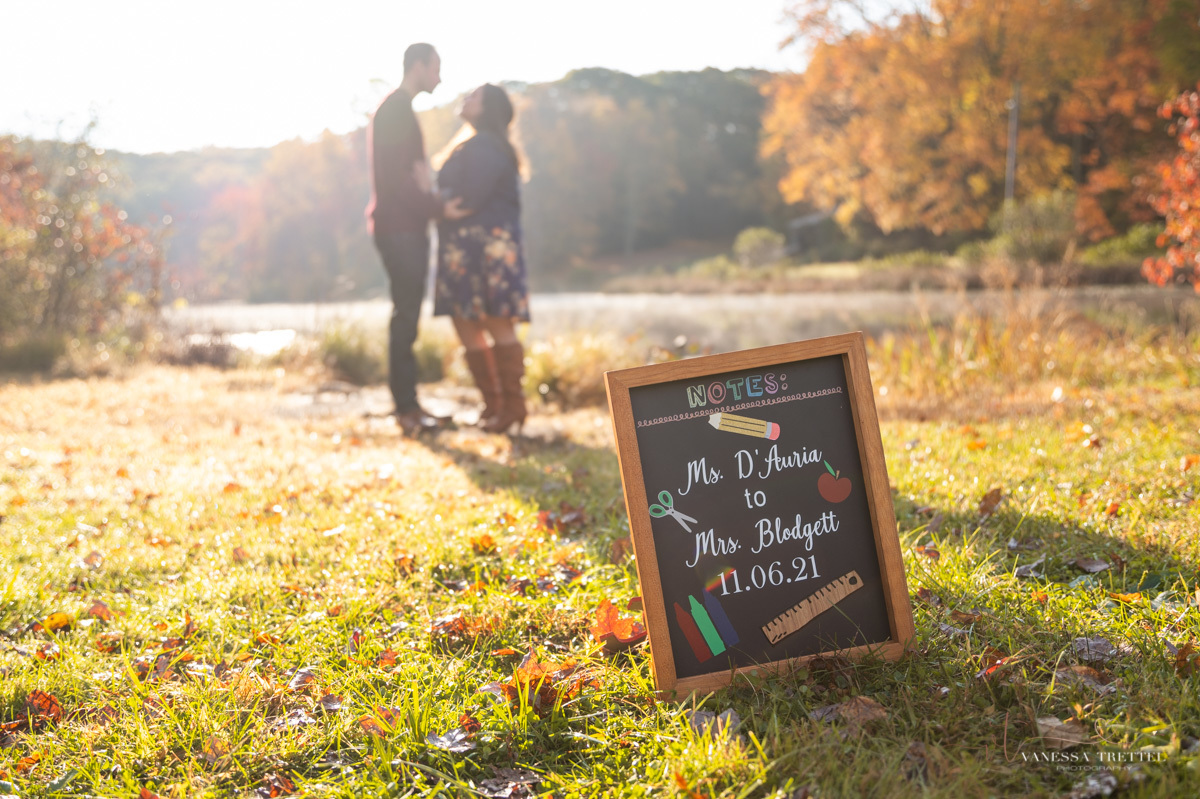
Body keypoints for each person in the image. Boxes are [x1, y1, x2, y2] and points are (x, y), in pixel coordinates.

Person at [366, 43, 465, 435]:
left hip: (405, 226)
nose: (440, 77)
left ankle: (409, 405)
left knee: (406, 316)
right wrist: (437, 208)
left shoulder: (400, 110)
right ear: (419, 66)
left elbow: (412, 171)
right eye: (436, 68)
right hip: (400, 228)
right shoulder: (396, 110)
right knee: (405, 317)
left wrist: (429, 196)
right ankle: (406, 410)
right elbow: (398, 179)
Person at [432, 84, 530, 434]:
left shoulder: (488, 146)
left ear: (487, 108)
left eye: (472, 97)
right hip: (464, 249)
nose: (464, 99)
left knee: (495, 320)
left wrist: (438, 203)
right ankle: (494, 405)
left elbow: (469, 197)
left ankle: (513, 405)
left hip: (488, 249)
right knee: (465, 322)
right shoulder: (469, 144)